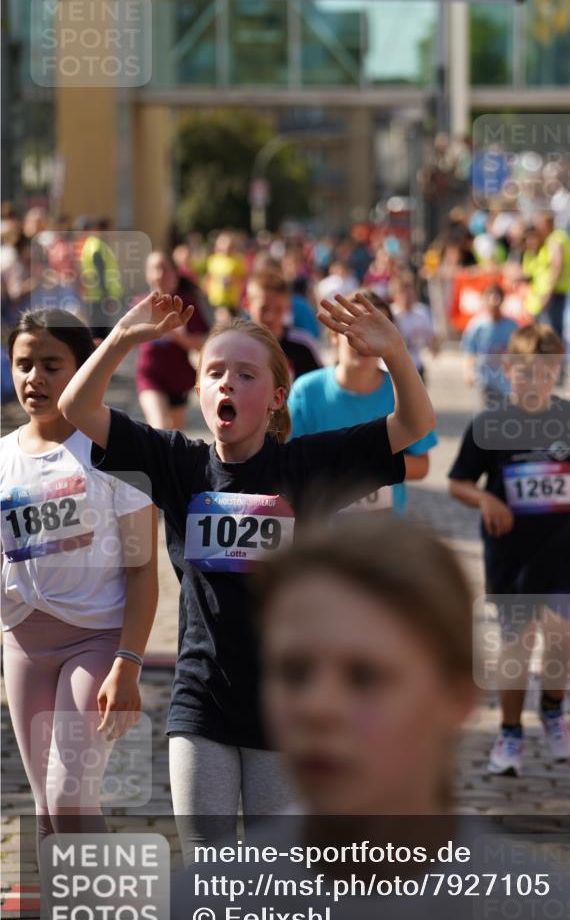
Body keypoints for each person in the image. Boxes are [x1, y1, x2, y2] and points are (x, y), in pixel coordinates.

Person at [151, 515, 570, 920]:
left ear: (458, 694)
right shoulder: (201, 916)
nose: (318, 707)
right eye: (293, 672)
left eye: (365, 676)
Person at [58, 288, 436, 857]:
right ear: (200, 392)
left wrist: (395, 355)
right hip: (200, 700)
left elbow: (412, 426)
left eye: (245, 373)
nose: (227, 382)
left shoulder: (305, 466)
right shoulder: (178, 464)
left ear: (278, 397)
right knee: (210, 865)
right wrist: (123, 339)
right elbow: (76, 409)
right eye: (214, 373)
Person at [1, 308, 158, 920]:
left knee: (70, 794)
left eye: (52, 364)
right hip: (22, 644)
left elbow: (144, 570)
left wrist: (127, 660)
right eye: (24, 363)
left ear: (82, 367)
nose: (35, 378)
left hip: (95, 638)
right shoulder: (4, 454)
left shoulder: (113, 453)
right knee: (47, 804)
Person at [448, 324, 570, 777]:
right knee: (515, 649)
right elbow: (458, 483)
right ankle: (509, 733)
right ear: (508, 370)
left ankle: (553, 707)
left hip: (564, 551)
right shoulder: (490, 424)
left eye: (546, 373)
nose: (535, 382)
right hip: (511, 556)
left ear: (556, 372)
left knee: (564, 641)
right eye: (525, 373)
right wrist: (485, 498)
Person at [288, 290, 437, 514]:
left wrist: (360, 470)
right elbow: (289, 459)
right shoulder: (306, 390)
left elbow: (422, 465)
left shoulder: (401, 390)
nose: (363, 341)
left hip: (382, 533)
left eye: (375, 331)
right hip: (321, 532)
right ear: (334, 334)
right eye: (355, 327)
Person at [135, 250, 210, 430]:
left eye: (164, 269)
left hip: (179, 379)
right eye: (153, 269)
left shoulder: (185, 303)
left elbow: (205, 344)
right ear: (146, 274)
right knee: (159, 428)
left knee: (175, 435)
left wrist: (180, 337)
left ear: (176, 274)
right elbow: (126, 339)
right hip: (150, 377)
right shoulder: (140, 304)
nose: (159, 275)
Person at [244, 270, 322, 381]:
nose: (270, 316)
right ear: (247, 305)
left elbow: (317, 386)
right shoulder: (235, 345)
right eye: (264, 309)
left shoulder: (303, 345)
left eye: (278, 310)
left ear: (288, 308)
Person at [460, 283, 517, 406]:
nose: (493, 302)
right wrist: (468, 371)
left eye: (497, 298)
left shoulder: (512, 326)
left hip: (506, 379)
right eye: (489, 297)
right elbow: (470, 350)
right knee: (489, 413)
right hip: (485, 378)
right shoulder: (477, 325)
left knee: (506, 412)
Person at [525, 213, 570, 340]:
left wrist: (548, 293)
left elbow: (556, 266)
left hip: (553, 292)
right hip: (555, 291)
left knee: (549, 333)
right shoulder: (560, 237)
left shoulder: (555, 239)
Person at [389, 271, 437, 381]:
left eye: (410, 294)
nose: (407, 299)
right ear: (395, 295)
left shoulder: (421, 312)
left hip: (416, 365)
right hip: (393, 368)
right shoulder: (391, 314)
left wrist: (434, 347)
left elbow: (431, 334)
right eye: (403, 295)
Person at [205, 230, 247, 314]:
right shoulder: (213, 259)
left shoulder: (238, 259)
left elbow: (243, 278)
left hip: (232, 299)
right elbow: (209, 277)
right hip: (215, 299)